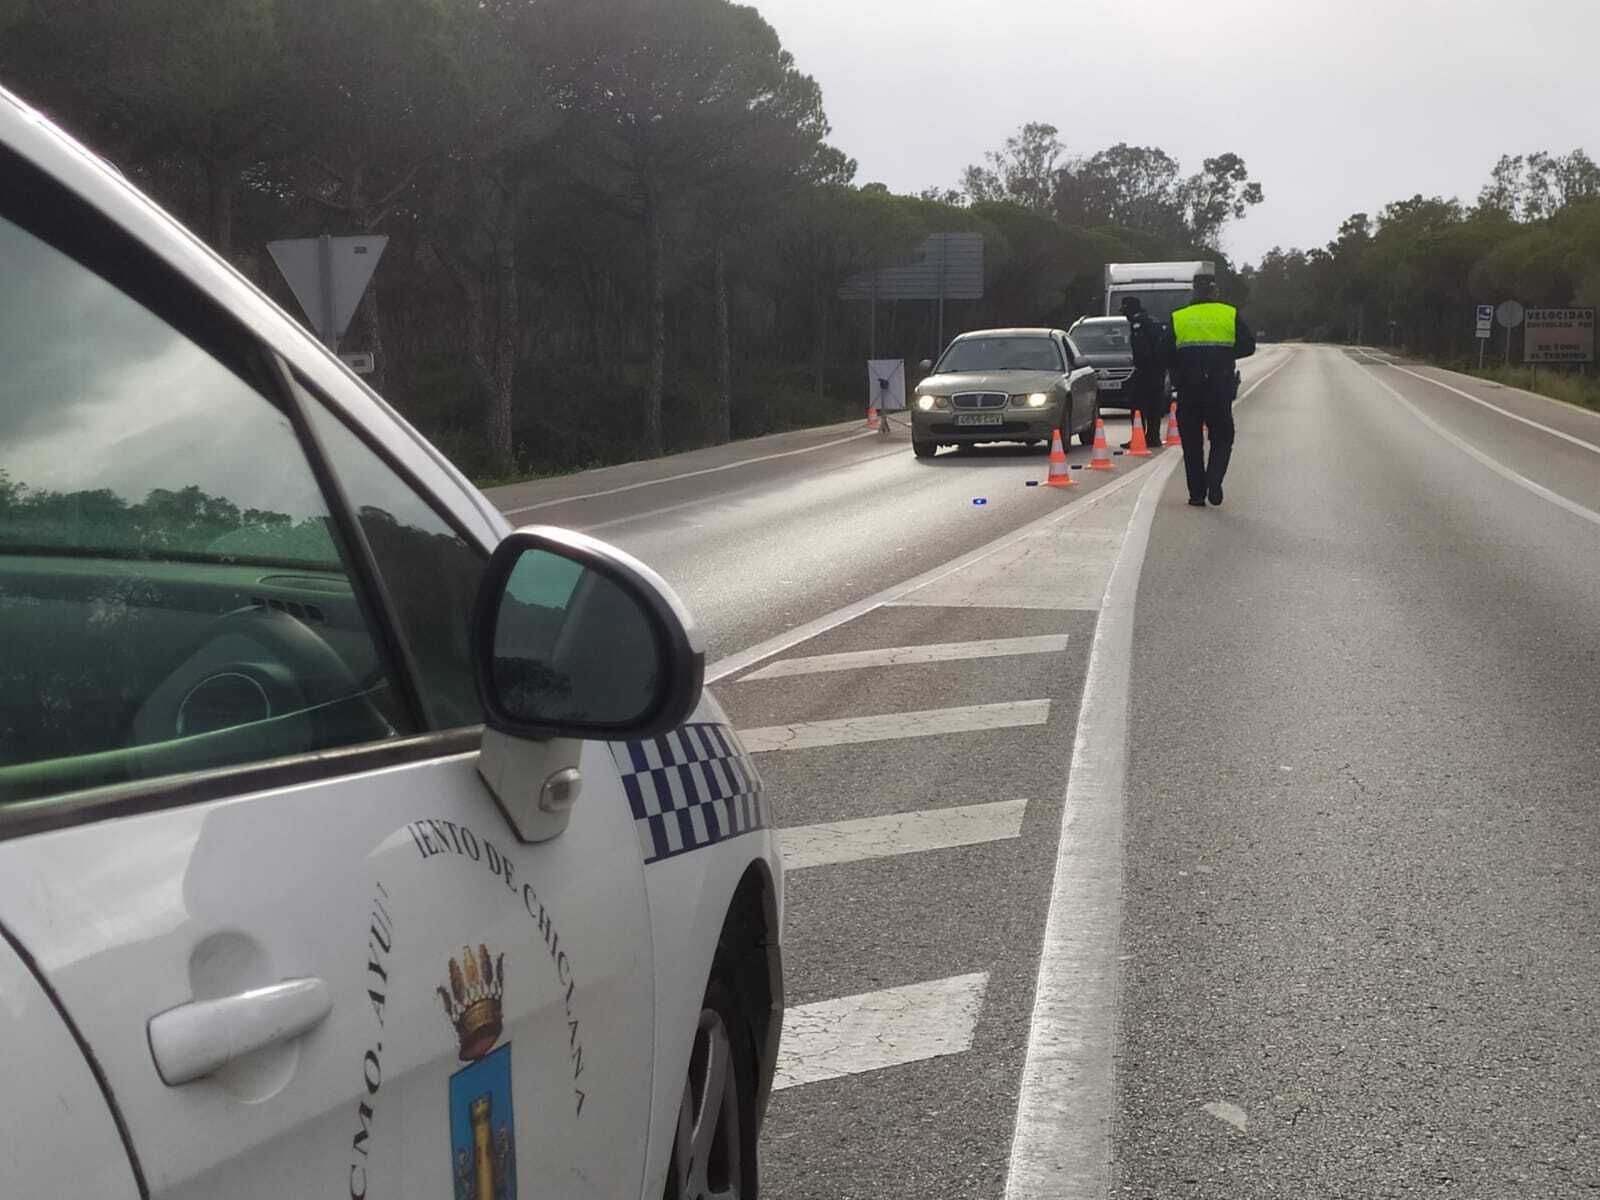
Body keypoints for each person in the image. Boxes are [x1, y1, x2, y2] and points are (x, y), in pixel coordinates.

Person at [1169, 275, 1255, 506]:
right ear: (1214, 291)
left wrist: (1182, 365)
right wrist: (1224, 355)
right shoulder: (1229, 314)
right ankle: (1214, 478)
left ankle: (1197, 494)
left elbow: (1166, 352)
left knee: (1191, 442)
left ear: (1194, 291)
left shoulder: (1179, 317)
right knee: (1222, 437)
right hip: (1219, 387)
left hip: (1189, 389)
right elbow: (1249, 346)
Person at [1118, 296, 1168, 450]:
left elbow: (1142, 351)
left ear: (1130, 309)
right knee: (1154, 405)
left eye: (1125, 310)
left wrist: (1139, 367)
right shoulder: (1152, 321)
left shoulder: (1138, 324)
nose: (1124, 315)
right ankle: (1153, 437)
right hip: (1158, 371)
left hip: (1147, 371)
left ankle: (1139, 437)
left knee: (1137, 405)